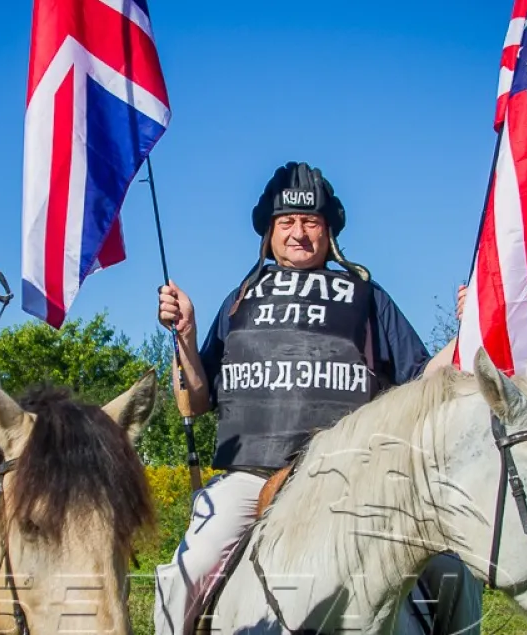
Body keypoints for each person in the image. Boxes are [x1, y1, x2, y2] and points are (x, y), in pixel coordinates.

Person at [152, 161, 481, 635]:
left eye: (311, 222)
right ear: (269, 232)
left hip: (356, 478)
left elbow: (422, 376)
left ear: (329, 232)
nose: (299, 233)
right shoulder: (239, 300)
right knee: (186, 571)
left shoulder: (369, 297)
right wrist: (185, 334)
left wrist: (467, 331)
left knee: (453, 574)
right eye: (287, 222)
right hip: (252, 476)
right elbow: (199, 398)